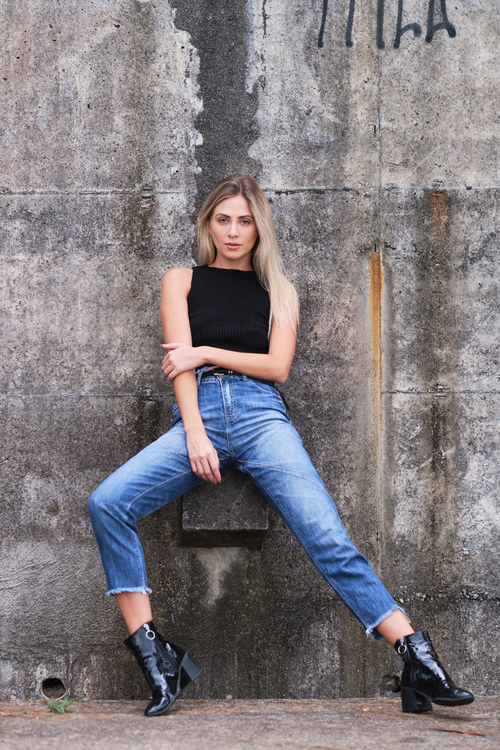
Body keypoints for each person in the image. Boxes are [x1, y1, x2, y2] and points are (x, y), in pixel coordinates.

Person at [88, 175, 473, 717]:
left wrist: (205, 352)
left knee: (326, 535)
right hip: (199, 413)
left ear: (259, 228)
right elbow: (179, 364)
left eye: (245, 221)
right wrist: (194, 431)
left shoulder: (280, 291)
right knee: (107, 502)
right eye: (223, 219)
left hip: (261, 417)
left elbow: (277, 367)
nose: (233, 231)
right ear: (207, 225)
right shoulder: (181, 280)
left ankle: (415, 657)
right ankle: (155, 654)